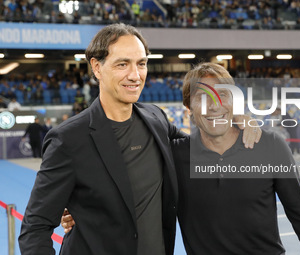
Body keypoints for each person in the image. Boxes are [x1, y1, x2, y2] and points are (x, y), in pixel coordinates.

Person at [19, 24, 260, 255]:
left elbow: (198, 146)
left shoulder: (155, 117)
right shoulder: (68, 139)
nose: (135, 75)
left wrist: (237, 120)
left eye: (141, 64)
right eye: (122, 64)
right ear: (97, 67)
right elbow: (35, 228)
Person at [62, 63, 300, 254]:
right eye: (203, 98)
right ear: (188, 109)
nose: (213, 105)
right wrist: (80, 209)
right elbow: (128, 193)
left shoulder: (269, 145)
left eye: (222, 95)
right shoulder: (174, 155)